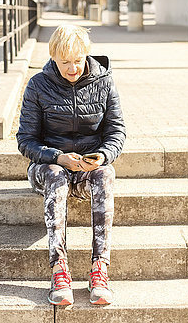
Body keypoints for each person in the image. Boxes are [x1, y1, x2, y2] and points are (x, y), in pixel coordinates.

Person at [16, 24, 125, 306]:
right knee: (55, 175)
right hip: (48, 167)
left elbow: (116, 132)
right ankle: (59, 269)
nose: (73, 68)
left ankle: (100, 269)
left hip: (88, 167)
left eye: (77, 61)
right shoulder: (38, 85)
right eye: (65, 62)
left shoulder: (105, 82)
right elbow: (25, 140)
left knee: (106, 173)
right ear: (53, 57)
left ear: (86, 55)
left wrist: (101, 156)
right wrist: (57, 157)